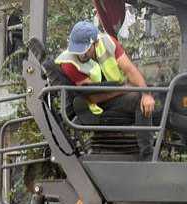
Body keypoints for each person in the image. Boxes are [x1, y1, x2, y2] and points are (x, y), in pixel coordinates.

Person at [55, 21, 159, 159]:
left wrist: (146, 94)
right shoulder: (69, 64)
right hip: (94, 104)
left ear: (95, 43)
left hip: (118, 91)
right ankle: (148, 156)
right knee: (138, 99)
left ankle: (151, 148)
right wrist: (125, 89)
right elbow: (92, 97)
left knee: (149, 95)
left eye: (85, 49)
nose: (81, 55)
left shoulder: (108, 43)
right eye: (78, 50)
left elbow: (129, 70)